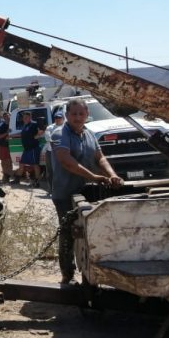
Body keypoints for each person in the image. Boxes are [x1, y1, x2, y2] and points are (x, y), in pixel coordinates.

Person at [51, 98, 124, 284]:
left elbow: (100, 158)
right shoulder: (60, 134)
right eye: (74, 114)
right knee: (69, 232)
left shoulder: (89, 134)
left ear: (87, 115)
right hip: (65, 194)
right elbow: (66, 161)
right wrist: (94, 177)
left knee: (91, 232)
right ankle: (67, 274)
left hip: (87, 192)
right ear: (67, 115)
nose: (77, 117)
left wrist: (112, 174)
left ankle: (91, 271)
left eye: (81, 114)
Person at [14, 111, 42, 187]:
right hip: (26, 149)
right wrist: (12, 135)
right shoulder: (25, 126)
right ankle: (17, 179)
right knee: (21, 163)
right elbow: (22, 134)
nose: (24, 119)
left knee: (35, 165)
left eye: (26, 117)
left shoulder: (34, 125)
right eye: (23, 117)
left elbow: (41, 132)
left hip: (33, 148)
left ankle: (37, 182)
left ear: (30, 117)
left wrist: (36, 136)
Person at [43, 111, 65, 193]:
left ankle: (62, 189)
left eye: (59, 118)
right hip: (50, 151)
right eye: (56, 118)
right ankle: (51, 189)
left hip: (63, 152)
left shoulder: (66, 127)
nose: (58, 119)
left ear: (63, 118)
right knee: (50, 171)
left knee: (63, 170)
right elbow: (48, 138)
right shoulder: (49, 127)